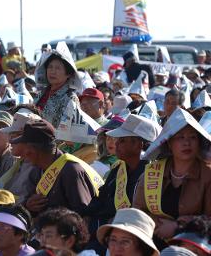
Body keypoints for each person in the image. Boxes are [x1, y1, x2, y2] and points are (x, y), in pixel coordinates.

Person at [86, 114, 161, 254]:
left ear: (139, 144)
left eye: (122, 141)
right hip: (107, 232)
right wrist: (85, 216)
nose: (116, 144)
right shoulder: (118, 169)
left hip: (135, 239)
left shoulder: (154, 174)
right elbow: (100, 199)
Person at [133, 108, 211, 242]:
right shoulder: (153, 171)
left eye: (192, 137)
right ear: (169, 143)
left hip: (194, 244)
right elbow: (138, 211)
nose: (187, 143)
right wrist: (156, 224)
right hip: (152, 237)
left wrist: (179, 227)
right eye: (180, 137)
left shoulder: (208, 174)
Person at [17, 119, 103, 215]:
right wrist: (28, 207)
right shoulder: (37, 169)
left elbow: (83, 216)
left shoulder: (71, 171)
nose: (21, 153)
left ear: (31, 151)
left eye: (22, 148)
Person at [35, 44, 81, 128]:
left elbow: (68, 130)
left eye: (58, 68)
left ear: (68, 74)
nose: (52, 71)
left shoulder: (70, 98)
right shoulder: (41, 93)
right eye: (50, 67)